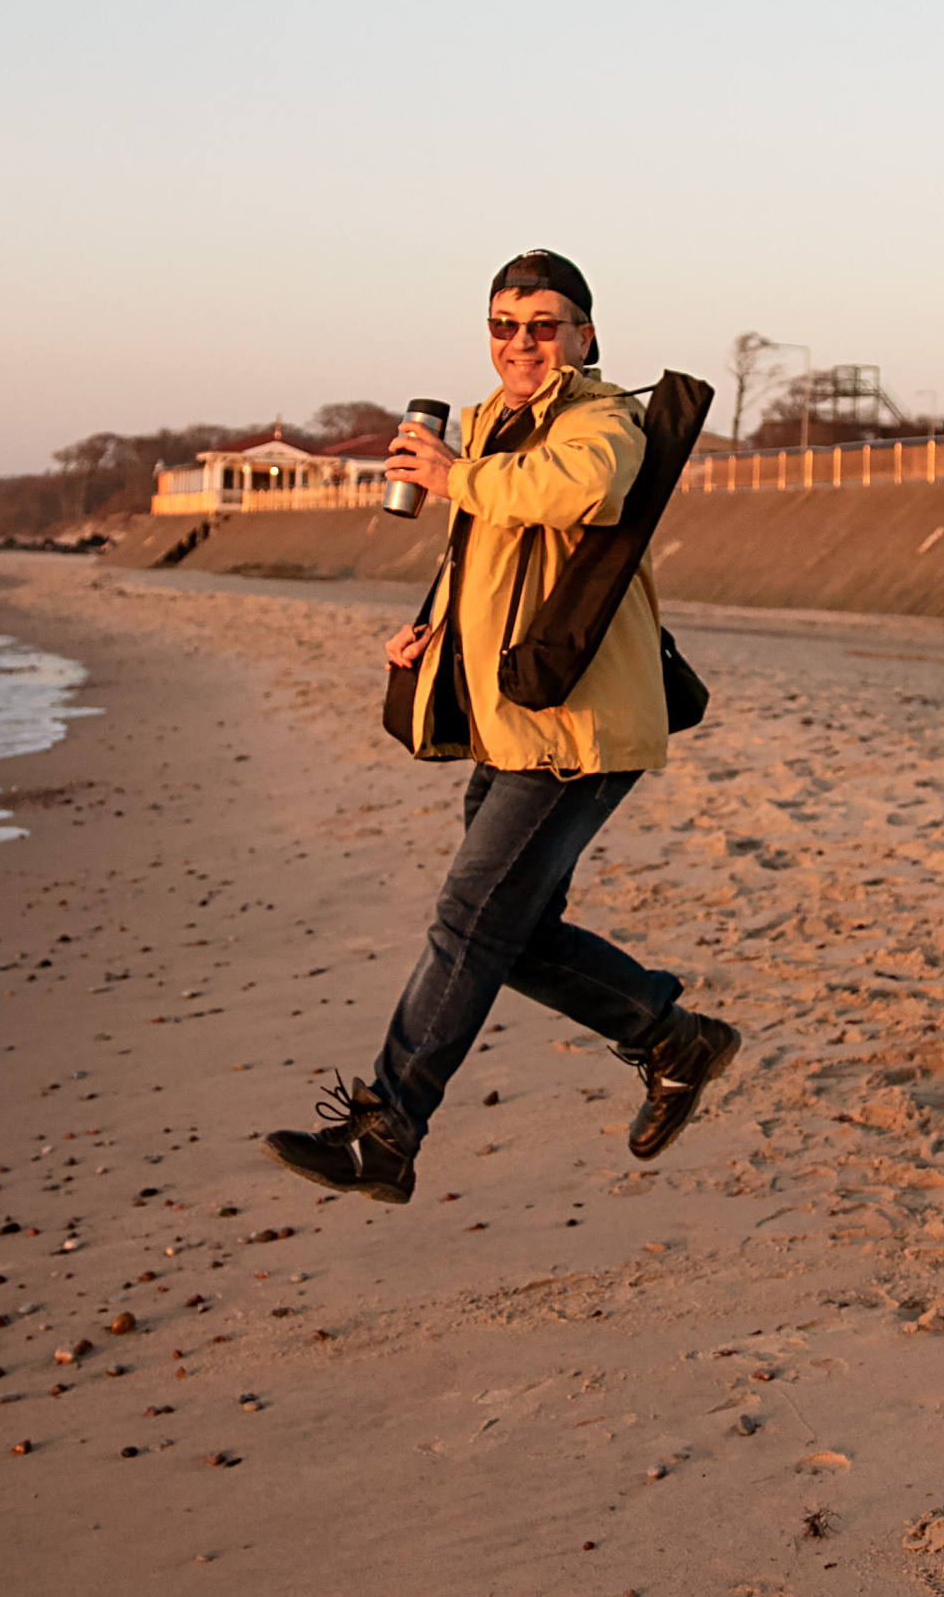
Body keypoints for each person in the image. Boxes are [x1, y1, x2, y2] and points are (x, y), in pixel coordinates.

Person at [261, 249, 738, 1203]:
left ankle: (388, 1132)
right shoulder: (485, 427)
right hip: (509, 718)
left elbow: (582, 493)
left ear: (585, 334)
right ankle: (673, 1039)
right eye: (503, 326)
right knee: (507, 932)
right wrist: (431, 630)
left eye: (544, 324)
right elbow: (493, 559)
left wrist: (455, 474)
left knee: (467, 923)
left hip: (580, 723)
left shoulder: (606, 419)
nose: (521, 343)